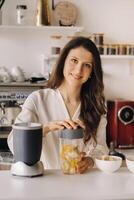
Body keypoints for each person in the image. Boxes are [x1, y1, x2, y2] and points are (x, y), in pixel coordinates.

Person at [8, 36, 109, 173]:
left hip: (83, 184)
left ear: (92, 72)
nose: (79, 70)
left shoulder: (96, 106)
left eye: (87, 65)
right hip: (45, 183)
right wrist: (45, 128)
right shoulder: (38, 100)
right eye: (74, 61)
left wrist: (89, 161)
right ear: (63, 62)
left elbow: (101, 148)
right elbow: (14, 143)